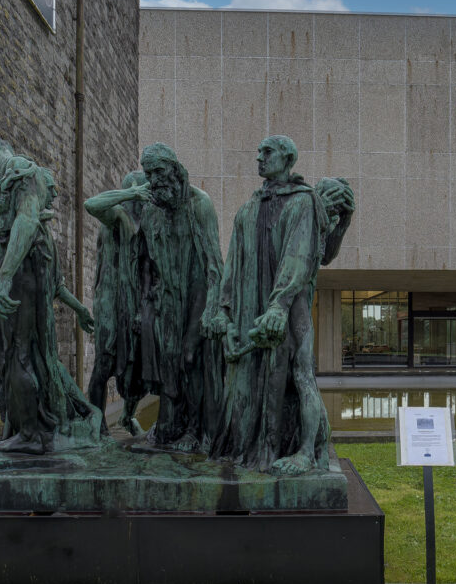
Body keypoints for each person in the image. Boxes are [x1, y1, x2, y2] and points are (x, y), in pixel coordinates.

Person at [0, 138, 101, 453]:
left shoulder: (23, 171)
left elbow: (26, 219)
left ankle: (32, 435)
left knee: (19, 354)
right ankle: (27, 429)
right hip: (20, 280)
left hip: (21, 282)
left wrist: (4, 278)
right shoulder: (4, 193)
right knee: (24, 356)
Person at [210, 135, 354, 475]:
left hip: (290, 308)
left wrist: (279, 306)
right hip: (251, 310)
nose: (259, 157)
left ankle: (305, 452)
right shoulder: (247, 209)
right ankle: (255, 445)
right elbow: (232, 264)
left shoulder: (303, 202)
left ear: (288, 159)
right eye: (258, 151)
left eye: (267, 152)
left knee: (301, 374)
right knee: (251, 380)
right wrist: (224, 311)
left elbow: (302, 258)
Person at [133, 143, 226, 453]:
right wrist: (144, 305)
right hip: (164, 304)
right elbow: (145, 264)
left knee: (192, 360)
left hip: (196, 299)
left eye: (159, 171)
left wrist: (212, 311)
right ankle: (171, 423)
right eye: (148, 173)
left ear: (174, 169)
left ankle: (199, 430)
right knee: (167, 364)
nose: (154, 179)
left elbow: (214, 265)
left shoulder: (200, 205)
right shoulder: (150, 210)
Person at [83, 170, 152, 435]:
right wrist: (130, 192)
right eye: (142, 193)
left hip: (136, 304)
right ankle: (98, 426)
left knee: (140, 366)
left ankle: (126, 416)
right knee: (104, 362)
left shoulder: (145, 222)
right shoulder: (115, 217)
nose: (145, 198)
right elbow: (91, 205)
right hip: (110, 304)